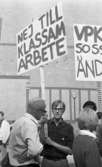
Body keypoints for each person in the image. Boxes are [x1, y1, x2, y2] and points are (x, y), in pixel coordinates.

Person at [8, 98, 47, 167]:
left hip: (15, 163)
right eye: (43, 111)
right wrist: (23, 157)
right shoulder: (30, 124)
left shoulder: (19, 121)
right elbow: (35, 150)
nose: (44, 114)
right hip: (27, 164)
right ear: (37, 111)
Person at [41, 100, 74, 167]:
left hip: (61, 162)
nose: (57, 111)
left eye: (60, 109)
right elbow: (40, 142)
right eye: (55, 109)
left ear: (63, 110)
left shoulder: (68, 127)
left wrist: (52, 143)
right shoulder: (46, 125)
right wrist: (41, 124)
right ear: (52, 110)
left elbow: (70, 151)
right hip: (47, 161)